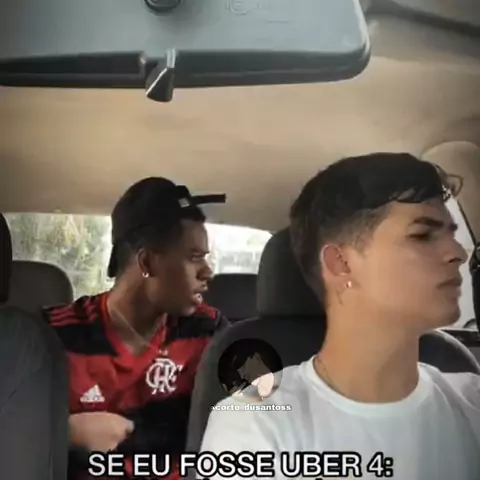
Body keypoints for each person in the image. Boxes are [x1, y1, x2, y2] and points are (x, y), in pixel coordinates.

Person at [200, 153, 480, 479]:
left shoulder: (471, 399)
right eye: (422, 235)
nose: (457, 253)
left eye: (451, 233)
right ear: (340, 264)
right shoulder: (254, 422)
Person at [43, 177, 230, 480]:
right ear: (147, 262)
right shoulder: (54, 335)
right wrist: (62, 433)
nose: (208, 272)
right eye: (195, 257)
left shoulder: (209, 332)